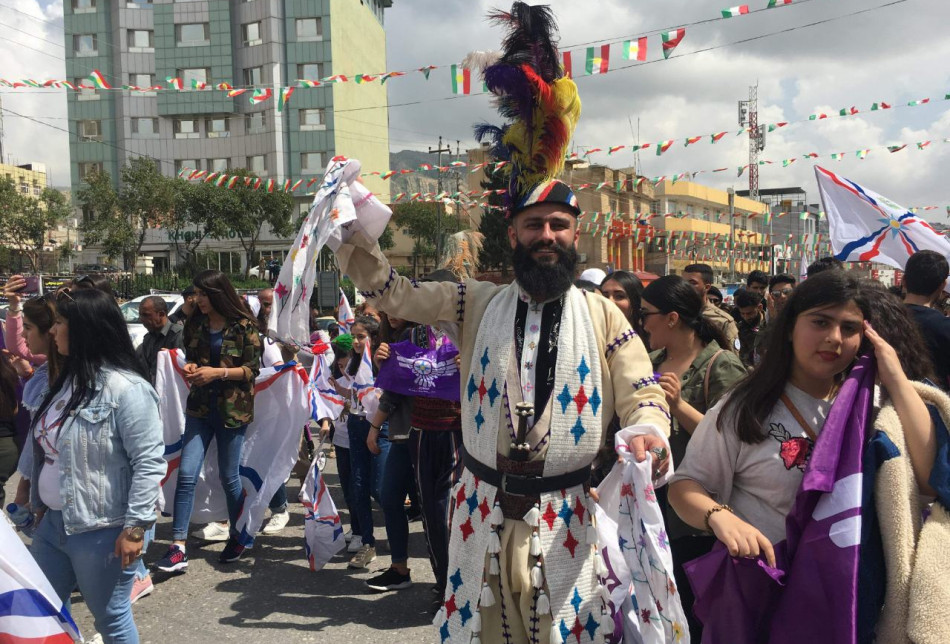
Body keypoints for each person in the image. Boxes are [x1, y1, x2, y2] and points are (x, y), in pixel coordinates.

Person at [323, 6, 670, 639]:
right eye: (534, 226)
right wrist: (353, 237)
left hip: (571, 514)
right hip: (477, 511)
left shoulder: (601, 314)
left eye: (558, 226)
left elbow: (641, 391)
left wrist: (647, 431)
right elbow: (396, 294)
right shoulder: (472, 303)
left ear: (574, 234)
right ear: (513, 234)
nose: (546, 236)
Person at [667, 271, 937, 601]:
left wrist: (895, 377)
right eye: (820, 322)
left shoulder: (875, 406)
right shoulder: (745, 407)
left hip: (856, 598)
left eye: (849, 328)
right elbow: (685, 486)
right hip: (770, 590)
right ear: (791, 328)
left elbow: (928, 478)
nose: (835, 338)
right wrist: (717, 516)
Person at [28, 288, 165, 643]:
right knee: (41, 611)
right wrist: (38, 500)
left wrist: (136, 528)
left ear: (85, 328)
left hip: (104, 528)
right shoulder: (66, 384)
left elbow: (149, 463)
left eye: (59, 322)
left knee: (110, 618)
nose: (53, 330)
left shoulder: (128, 390)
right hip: (54, 524)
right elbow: (48, 449)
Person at [640, 275, 748, 639]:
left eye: (646, 314)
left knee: (695, 609)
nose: (641, 323)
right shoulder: (648, 361)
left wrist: (678, 405)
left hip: (698, 515)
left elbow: (738, 439)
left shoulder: (721, 365)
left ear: (671, 318)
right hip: (651, 507)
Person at [155, 270, 263, 571]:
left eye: (203, 294)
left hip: (232, 411)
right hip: (200, 409)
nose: (197, 299)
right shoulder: (196, 323)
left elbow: (252, 370)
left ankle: (239, 535)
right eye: (196, 294)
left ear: (217, 293)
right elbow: (191, 354)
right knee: (187, 474)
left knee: (230, 478)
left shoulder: (244, 326)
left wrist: (218, 373)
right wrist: (191, 366)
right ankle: (177, 545)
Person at [331, 315, 387, 569]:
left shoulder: (382, 360)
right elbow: (355, 393)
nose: (355, 341)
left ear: (373, 338)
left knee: (382, 486)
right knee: (358, 484)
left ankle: (398, 541)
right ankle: (367, 542)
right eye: (353, 335)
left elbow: (382, 396)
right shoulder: (354, 363)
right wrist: (337, 391)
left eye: (360, 336)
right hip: (356, 424)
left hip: (379, 426)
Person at [902, 250, 950, 391]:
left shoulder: (878, 320)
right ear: (942, 285)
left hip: (881, 404)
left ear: (903, 280)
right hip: (934, 405)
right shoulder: (945, 328)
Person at [681, 262, 740, 352]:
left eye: (693, 283)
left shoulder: (723, 321)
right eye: (683, 282)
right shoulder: (676, 315)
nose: (686, 287)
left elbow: (732, 359)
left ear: (707, 287)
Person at [135, 296, 184, 384]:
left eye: (146, 315)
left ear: (161, 314)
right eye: (140, 315)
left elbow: (183, 366)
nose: (141, 319)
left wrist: (171, 355)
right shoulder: (148, 338)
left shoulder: (178, 334)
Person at [599, 270, 645, 339]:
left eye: (619, 296)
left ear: (635, 301)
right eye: (605, 296)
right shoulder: (594, 340)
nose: (610, 301)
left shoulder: (653, 342)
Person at [734, 289, 765, 368]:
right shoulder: (739, 328)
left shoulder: (770, 324)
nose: (746, 317)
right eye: (742, 313)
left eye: (749, 313)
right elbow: (740, 354)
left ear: (759, 307)